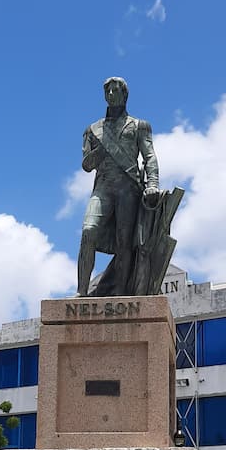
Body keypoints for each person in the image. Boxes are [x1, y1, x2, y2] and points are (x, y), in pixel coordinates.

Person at [77, 77, 162, 297]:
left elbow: (149, 157)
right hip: (103, 187)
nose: (112, 95)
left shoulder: (139, 126)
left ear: (125, 95)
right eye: (108, 91)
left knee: (125, 242)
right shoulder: (93, 130)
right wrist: (101, 150)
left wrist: (152, 184)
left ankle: (120, 292)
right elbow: (86, 165)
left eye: (116, 91)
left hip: (128, 189)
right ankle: (81, 291)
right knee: (88, 231)